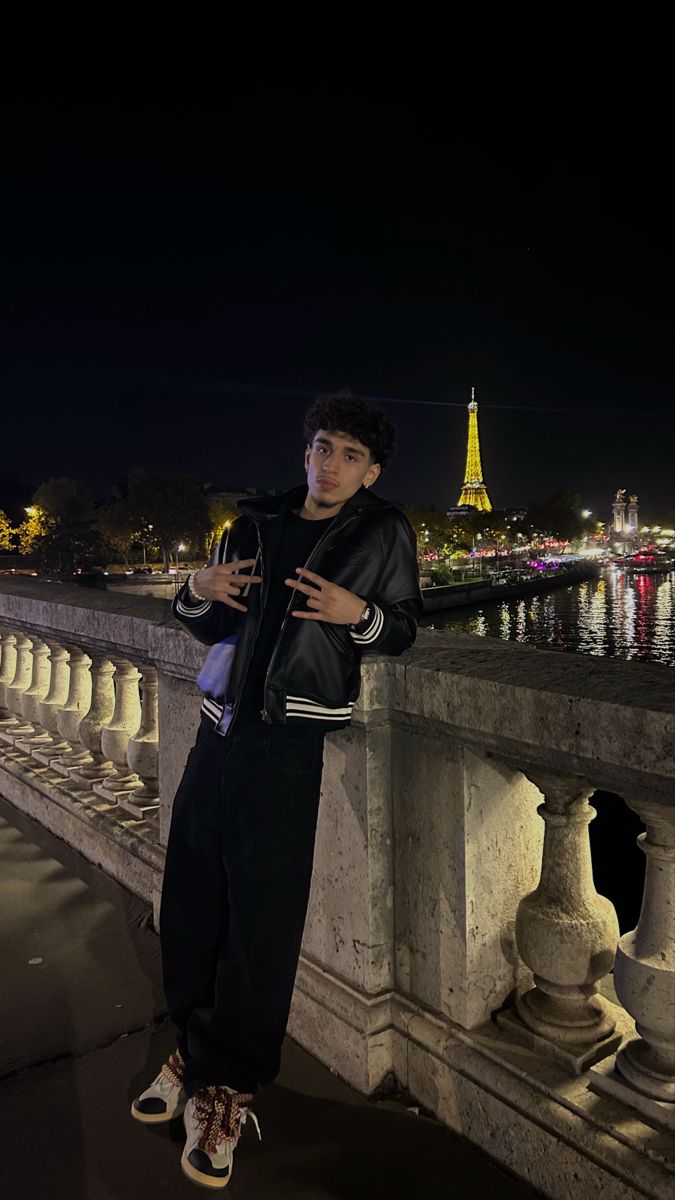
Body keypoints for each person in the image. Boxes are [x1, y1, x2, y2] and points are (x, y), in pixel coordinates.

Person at [131, 391, 423, 1189]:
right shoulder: (250, 522)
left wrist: (355, 611)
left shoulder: (381, 532)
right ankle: (192, 1051)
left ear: (371, 472)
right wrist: (194, 588)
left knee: (260, 921)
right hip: (217, 731)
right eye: (323, 447)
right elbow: (208, 623)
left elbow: (399, 626)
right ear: (306, 451)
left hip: (288, 741)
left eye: (349, 456)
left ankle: (227, 1086)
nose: (331, 465)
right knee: (191, 898)